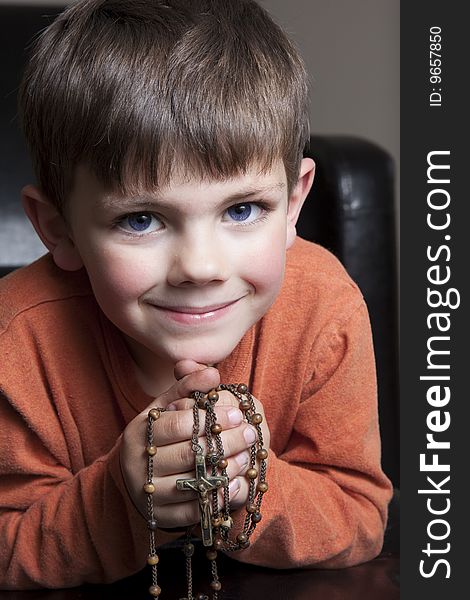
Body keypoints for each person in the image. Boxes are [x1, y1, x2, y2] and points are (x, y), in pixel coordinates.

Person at [0, 0, 392, 590]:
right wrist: (119, 498)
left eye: (241, 209)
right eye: (140, 220)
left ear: (293, 205)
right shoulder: (19, 336)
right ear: (58, 228)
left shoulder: (324, 307)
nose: (201, 267)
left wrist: (246, 487)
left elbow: (360, 515)